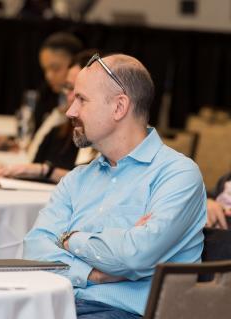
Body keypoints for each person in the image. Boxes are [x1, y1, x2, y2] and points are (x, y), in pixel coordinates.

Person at [23, 53, 206, 317]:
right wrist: (91, 273)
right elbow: (33, 249)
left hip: (128, 313)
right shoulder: (77, 179)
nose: (70, 111)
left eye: (81, 100)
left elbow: (134, 256)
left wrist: (68, 238)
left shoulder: (176, 175)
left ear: (119, 107)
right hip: (61, 307)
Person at [0, 50, 96, 184]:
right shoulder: (57, 133)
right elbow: (31, 171)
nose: (70, 97)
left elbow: (96, 183)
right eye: (68, 88)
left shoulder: (109, 142)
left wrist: (47, 171)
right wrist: (6, 170)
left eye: (80, 92)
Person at [0, 31, 82, 153]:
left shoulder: (83, 108)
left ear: (76, 65)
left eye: (55, 68)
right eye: (45, 69)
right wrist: (12, 141)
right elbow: (37, 134)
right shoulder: (47, 94)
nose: (48, 76)